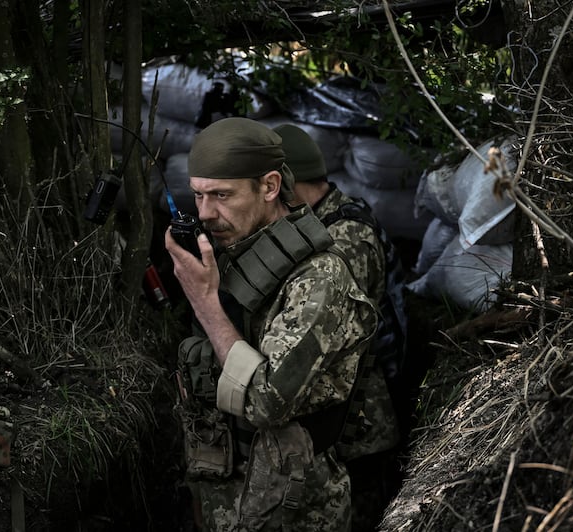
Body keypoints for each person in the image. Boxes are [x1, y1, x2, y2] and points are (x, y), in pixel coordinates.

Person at [165, 117, 378, 531]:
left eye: (222, 195)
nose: (206, 213)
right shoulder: (230, 252)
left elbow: (265, 402)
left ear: (269, 186)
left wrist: (205, 301)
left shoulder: (319, 277)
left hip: (292, 506)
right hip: (224, 489)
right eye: (198, 196)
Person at [273, 123, 410, 531]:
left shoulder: (345, 237)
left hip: (360, 423)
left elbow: (328, 336)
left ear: (285, 182)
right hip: (342, 417)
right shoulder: (324, 220)